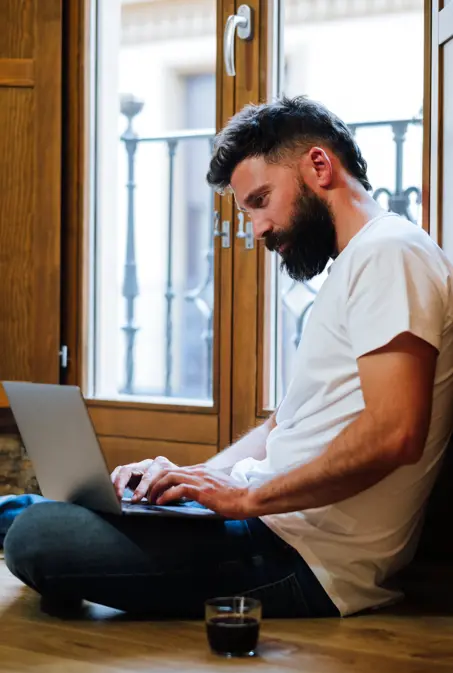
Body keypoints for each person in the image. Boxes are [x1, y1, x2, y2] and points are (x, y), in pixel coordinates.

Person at [4, 95, 453, 619]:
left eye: (261, 200)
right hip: (263, 523)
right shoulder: (358, 264)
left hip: (300, 556)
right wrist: (187, 477)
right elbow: (279, 429)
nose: (258, 230)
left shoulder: (390, 252)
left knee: (35, 532)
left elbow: (395, 432)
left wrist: (245, 500)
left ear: (319, 165)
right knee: (23, 512)